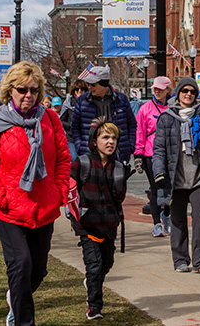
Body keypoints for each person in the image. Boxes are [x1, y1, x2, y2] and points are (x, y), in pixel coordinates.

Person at [0, 61, 71, 326]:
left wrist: (60, 190)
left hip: (44, 206)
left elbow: (62, 158)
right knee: (21, 264)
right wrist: (1, 197)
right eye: (22, 90)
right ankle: (22, 321)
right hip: (9, 209)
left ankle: (15, 296)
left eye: (34, 90)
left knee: (38, 269)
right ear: (9, 91)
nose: (28, 95)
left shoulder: (50, 120)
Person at [153, 77, 200, 274]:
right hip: (175, 179)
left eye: (192, 92)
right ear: (178, 93)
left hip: (198, 178)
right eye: (184, 91)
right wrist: (159, 172)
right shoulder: (167, 118)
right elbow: (159, 149)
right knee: (177, 220)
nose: (188, 94)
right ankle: (180, 260)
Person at [69, 120, 129, 320]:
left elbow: (119, 196)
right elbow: (69, 189)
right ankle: (94, 306)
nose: (110, 142)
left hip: (109, 225)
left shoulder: (119, 168)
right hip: (87, 225)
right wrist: (74, 213)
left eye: (114, 138)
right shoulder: (82, 163)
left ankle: (93, 281)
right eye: (105, 137)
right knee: (93, 265)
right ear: (94, 141)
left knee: (106, 263)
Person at [72, 66, 137, 162]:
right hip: (90, 154)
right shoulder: (82, 100)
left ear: (103, 84)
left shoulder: (121, 99)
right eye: (88, 84)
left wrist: (129, 146)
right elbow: (75, 127)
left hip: (118, 154)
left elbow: (132, 124)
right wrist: (80, 147)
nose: (89, 87)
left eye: (93, 84)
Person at [135, 76, 173, 237]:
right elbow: (140, 133)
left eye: (160, 89)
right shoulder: (145, 109)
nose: (157, 91)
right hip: (150, 154)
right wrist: (138, 154)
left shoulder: (174, 108)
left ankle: (167, 215)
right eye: (155, 89)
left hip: (171, 154)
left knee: (171, 190)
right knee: (156, 189)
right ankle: (156, 223)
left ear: (168, 91)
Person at [61, 80, 88, 160]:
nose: (80, 91)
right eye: (77, 89)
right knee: (75, 159)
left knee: (86, 161)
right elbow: (60, 120)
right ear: (73, 91)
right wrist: (70, 126)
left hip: (85, 139)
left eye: (82, 89)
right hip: (72, 139)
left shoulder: (90, 103)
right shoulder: (68, 103)